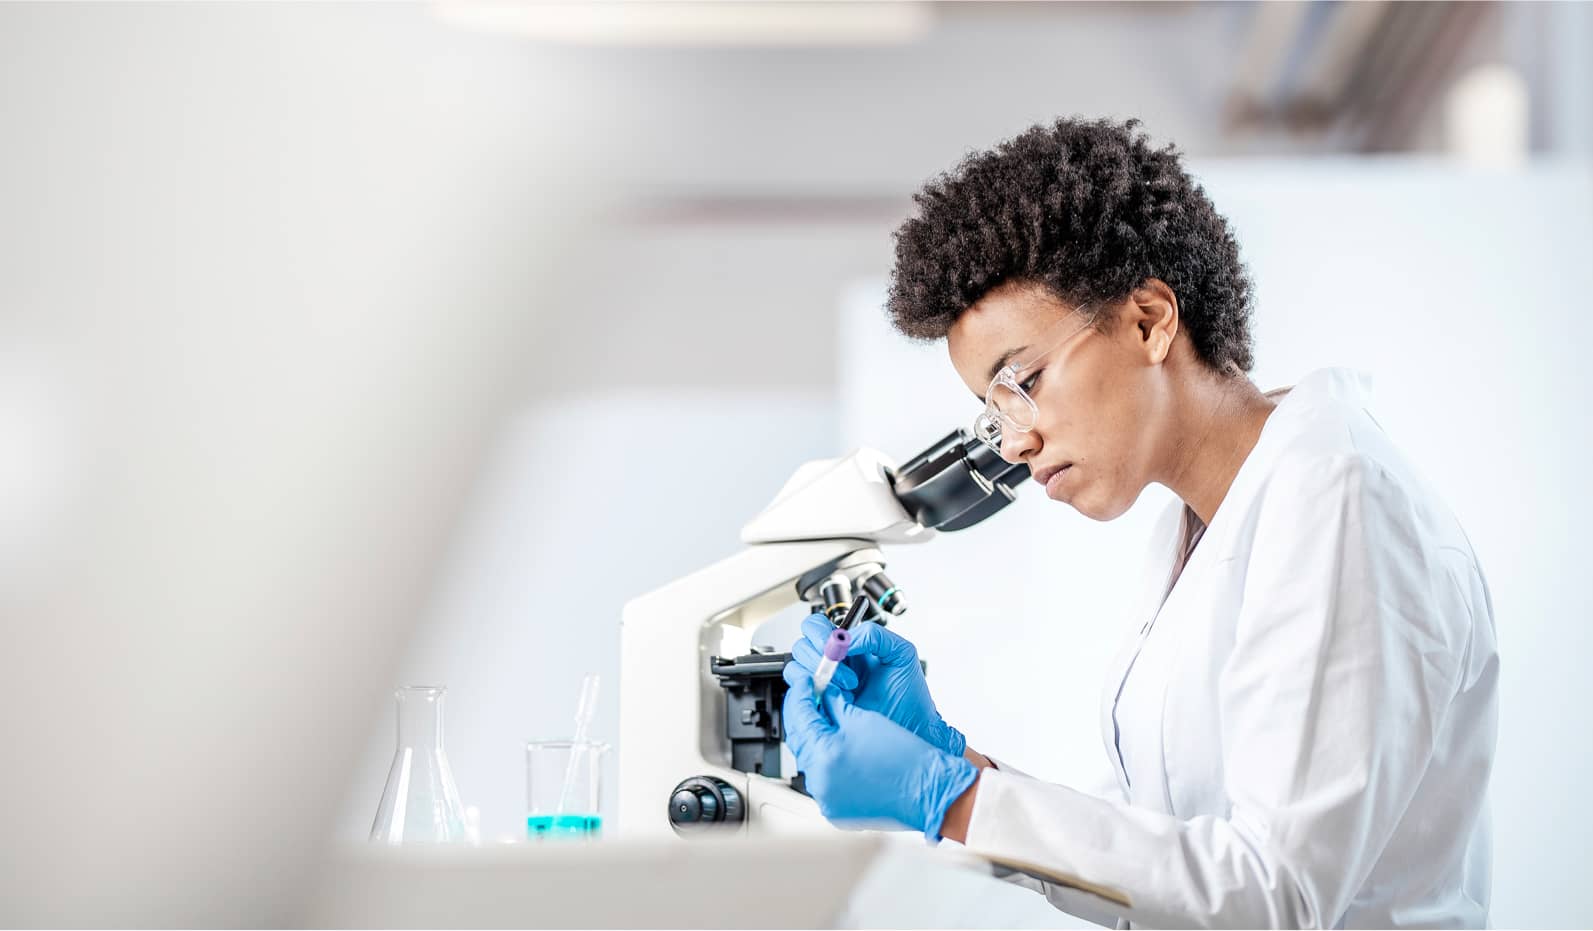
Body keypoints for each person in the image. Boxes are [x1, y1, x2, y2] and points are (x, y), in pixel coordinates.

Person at [781, 117, 1498, 928]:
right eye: (990, 410)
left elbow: (1274, 893)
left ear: (1150, 318)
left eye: (1021, 382)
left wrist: (959, 802)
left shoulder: (1336, 498)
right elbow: (1163, 849)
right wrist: (959, 766)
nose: (1013, 440)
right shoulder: (1201, 526)